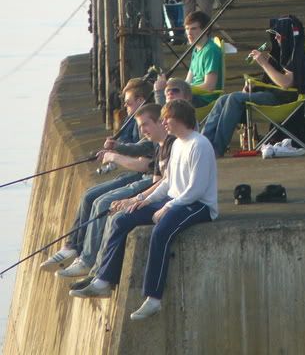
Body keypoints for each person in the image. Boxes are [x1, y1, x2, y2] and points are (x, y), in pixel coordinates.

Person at [72, 100, 217, 321]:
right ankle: (103, 280)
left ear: (179, 119)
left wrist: (167, 207)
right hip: (176, 200)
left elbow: (195, 190)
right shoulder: (177, 144)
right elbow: (168, 182)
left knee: (161, 231)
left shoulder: (200, 145)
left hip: (199, 205)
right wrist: (142, 199)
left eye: (167, 119)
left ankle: (153, 298)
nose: (164, 123)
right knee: (122, 219)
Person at [65, 85, 194, 294]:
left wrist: (139, 198)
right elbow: (162, 178)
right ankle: (97, 274)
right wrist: (139, 198)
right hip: (162, 197)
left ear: (163, 123)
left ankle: (102, 277)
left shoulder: (179, 145)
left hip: (174, 203)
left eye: (145, 125)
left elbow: (172, 184)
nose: (142, 131)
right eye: (140, 126)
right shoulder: (165, 144)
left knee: (116, 216)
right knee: (111, 211)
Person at [39, 81, 156, 274]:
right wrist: (115, 148)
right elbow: (133, 149)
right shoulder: (134, 123)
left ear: (141, 101)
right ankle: (72, 247)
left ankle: (86, 260)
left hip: (144, 177)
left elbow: (143, 162)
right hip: (135, 173)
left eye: (127, 103)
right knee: (88, 195)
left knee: (102, 203)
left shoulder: (148, 123)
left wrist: (114, 155)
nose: (125, 107)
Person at [202, 15, 305, 157]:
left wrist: (264, 63)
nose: (276, 39)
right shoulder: (281, 52)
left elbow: (286, 83)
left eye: (279, 35)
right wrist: (254, 86)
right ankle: (204, 144)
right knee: (224, 99)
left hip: (286, 99)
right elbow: (271, 81)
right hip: (274, 94)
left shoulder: (296, 53)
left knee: (235, 98)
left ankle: (216, 149)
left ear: (288, 35)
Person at [155, 11, 223, 107]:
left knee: (166, 98)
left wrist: (181, 88)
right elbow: (188, 80)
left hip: (203, 99)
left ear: (206, 30)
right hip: (192, 94)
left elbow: (209, 87)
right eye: (187, 29)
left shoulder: (210, 50)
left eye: (194, 29)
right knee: (164, 90)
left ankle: (161, 118)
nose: (189, 33)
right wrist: (174, 85)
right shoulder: (196, 49)